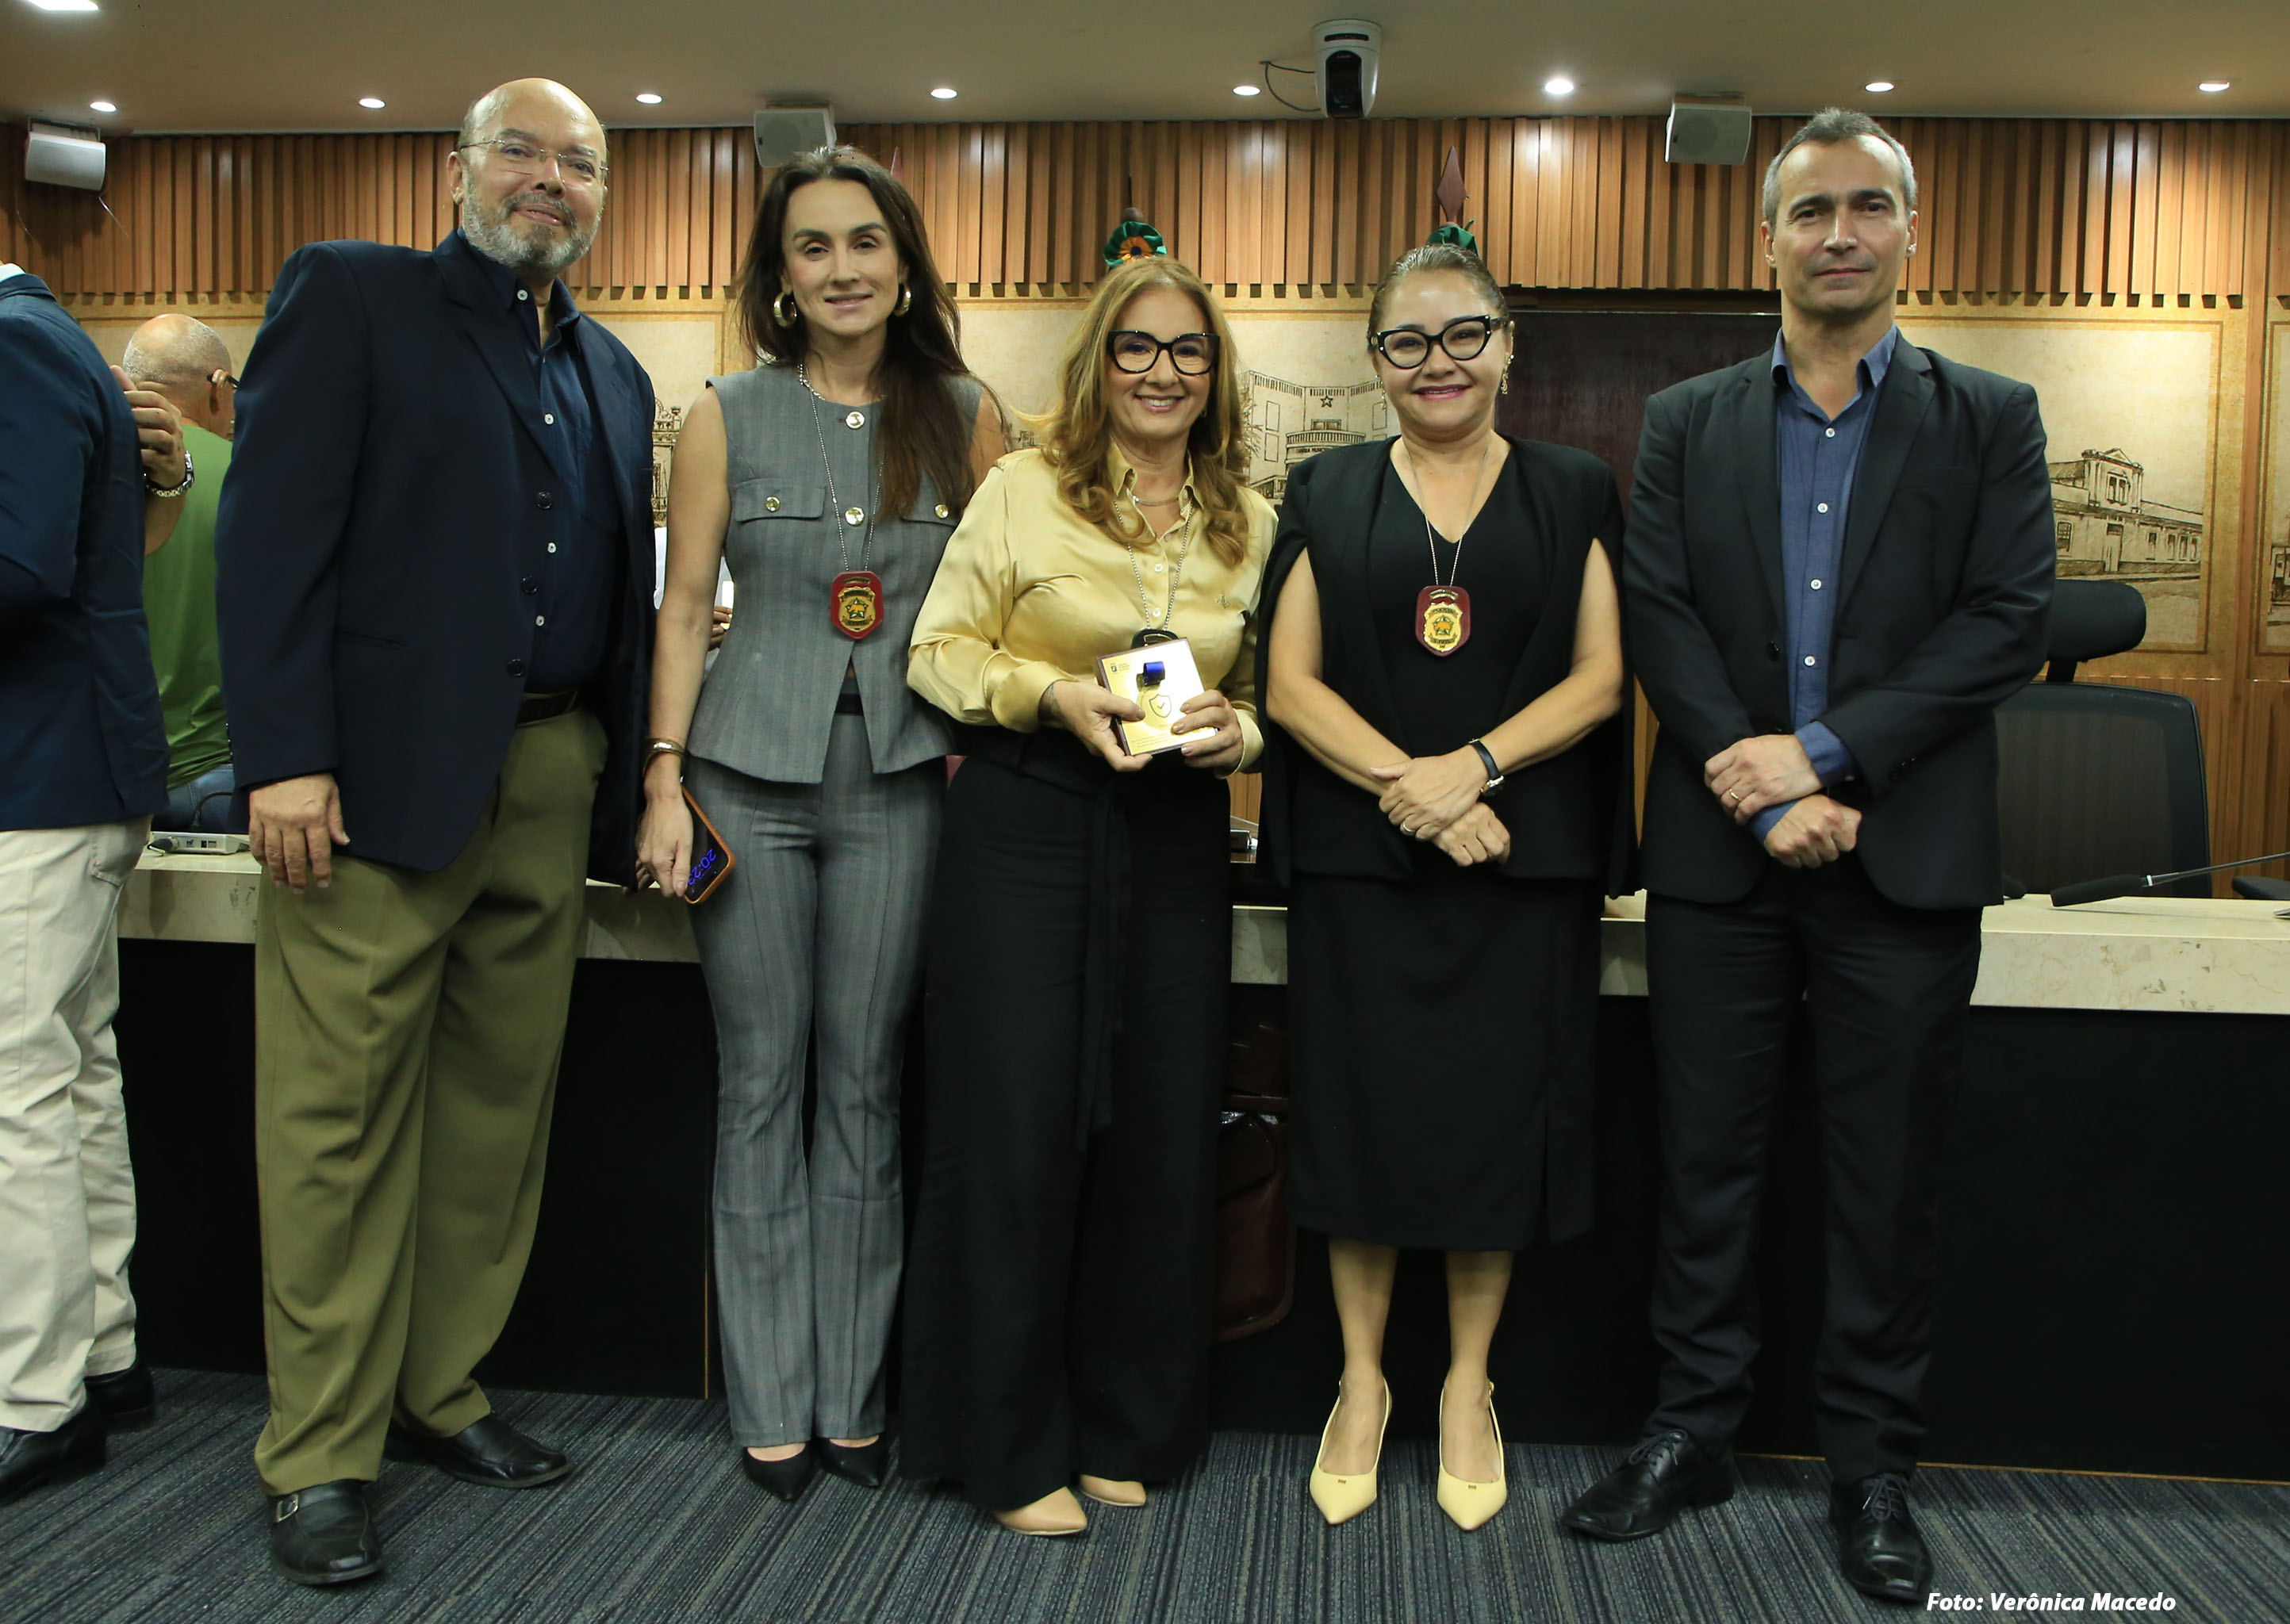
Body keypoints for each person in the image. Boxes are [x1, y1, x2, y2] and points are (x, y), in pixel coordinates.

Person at [1559, 109, 2054, 1605]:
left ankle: (1871, 1467)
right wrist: (1760, 787)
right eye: (1809, 210)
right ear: (1762, 238)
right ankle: (1691, 1429)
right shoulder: (1687, 420)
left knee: (1881, 1178)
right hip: (1722, 862)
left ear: (1909, 231)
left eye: (1865, 206)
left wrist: (1825, 757)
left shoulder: (1991, 416)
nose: (1837, 233)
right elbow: (1660, 612)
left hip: (1902, 858)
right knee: (1703, 1162)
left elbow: (2004, 620)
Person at [213, 78, 657, 1588]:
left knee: (491, 1115)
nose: (549, 180)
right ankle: (318, 1453)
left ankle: (436, 1387)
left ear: (601, 197)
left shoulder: (615, 374)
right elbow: (271, 533)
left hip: (546, 773)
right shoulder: (355, 297)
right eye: (519, 151)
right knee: (335, 1122)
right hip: (371, 786)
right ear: (457, 170)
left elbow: (620, 599)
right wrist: (284, 754)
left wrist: (624, 787)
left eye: (578, 163)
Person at [635, 147, 1001, 1505]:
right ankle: (769, 1396)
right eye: (812, 246)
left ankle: (852, 1395)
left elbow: (998, 602)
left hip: (902, 781)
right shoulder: (725, 413)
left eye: (865, 242)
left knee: (862, 1086)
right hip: (743, 779)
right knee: (758, 1085)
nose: (842, 268)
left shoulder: (966, 414)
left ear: (904, 266)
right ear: (779, 276)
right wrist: (663, 779)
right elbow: (684, 607)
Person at [1256, 236, 1631, 1533]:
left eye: (1463, 334)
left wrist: (1469, 771)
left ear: (1506, 346)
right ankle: (1359, 1384)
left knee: (1493, 1134)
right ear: (1375, 362)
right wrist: (1408, 791)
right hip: (1364, 872)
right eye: (1407, 341)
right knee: (1360, 1122)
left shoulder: (1573, 488)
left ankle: (1469, 1385)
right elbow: (1289, 683)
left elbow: (1599, 678)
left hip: (1519, 872)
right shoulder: (1326, 488)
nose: (1438, 362)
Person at [901, 251, 1273, 1537]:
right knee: (1014, 1122)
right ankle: (1005, 1444)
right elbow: (935, 651)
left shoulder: (1250, 521)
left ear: (1214, 372)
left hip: (1172, 833)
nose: (1161, 372)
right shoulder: (1021, 488)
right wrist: (1049, 694)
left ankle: (1129, 1422)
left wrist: (1241, 735)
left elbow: (1273, 694)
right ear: (1098, 362)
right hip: (1027, 819)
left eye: (1187, 350)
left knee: (1160, 1127)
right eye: (1136, 347)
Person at [0, 260, 176, 1505]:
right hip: (72, 769)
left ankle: (32, 1394)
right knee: (67, 1070)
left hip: (38, 774)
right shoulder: (55, 340)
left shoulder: (13, 347)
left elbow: (19, 568)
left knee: (15, 1085)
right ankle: (102, 1354)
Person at [123, 314, 241, 832]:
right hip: (220, 775)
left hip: (110, 780)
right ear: (218, 386)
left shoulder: (85, 473)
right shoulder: (250, 475)